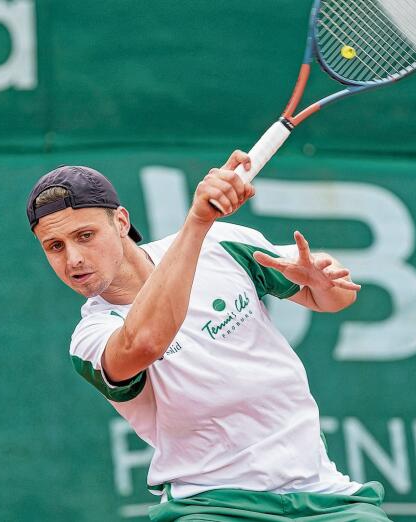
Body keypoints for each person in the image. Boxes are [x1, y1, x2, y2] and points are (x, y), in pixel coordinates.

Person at [25, 151, 391, 521]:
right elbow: (147, 341)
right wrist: (197, 223)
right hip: (211, 506)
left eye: (85, 236)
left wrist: (325, 281)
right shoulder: (92, 338)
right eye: (55, 247)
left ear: (121, 221)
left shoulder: (223, 246)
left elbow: (333, 296)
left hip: (323, 495)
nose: (73, 259)